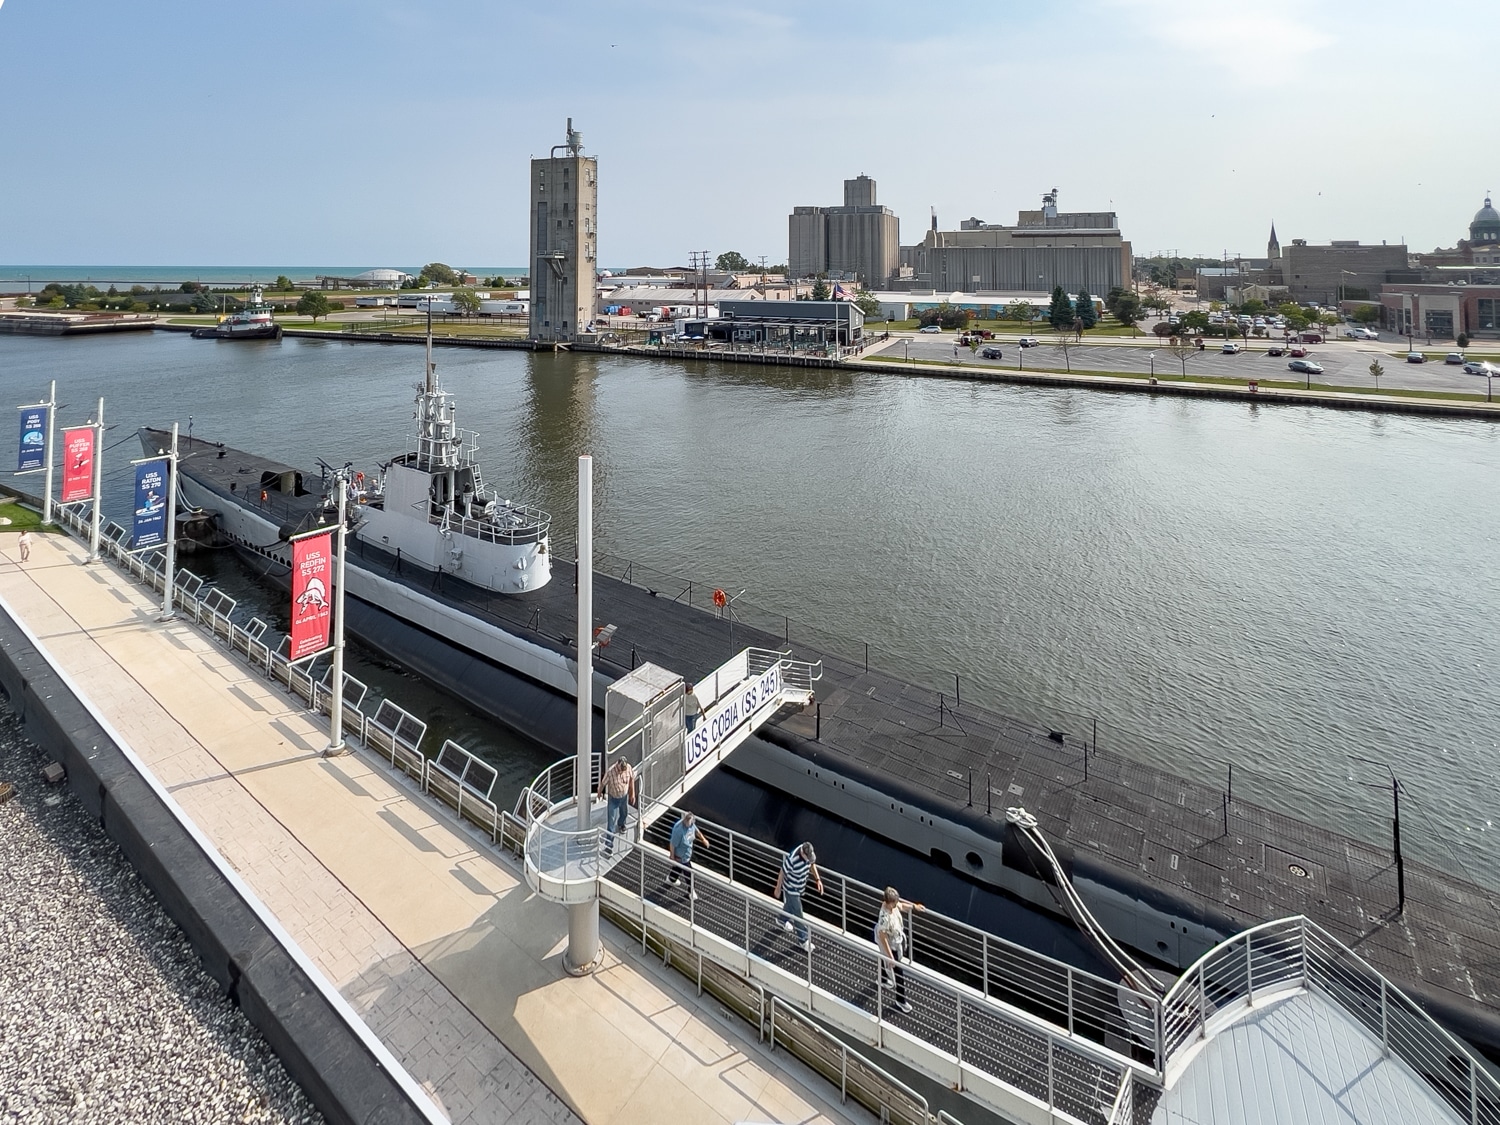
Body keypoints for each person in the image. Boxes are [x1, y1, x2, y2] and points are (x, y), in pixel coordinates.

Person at [874, 886, 924, 1014]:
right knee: (899, 973)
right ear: (889, 902)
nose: (897, 903)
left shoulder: (892, 906)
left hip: (894, 941)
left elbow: (901, 906)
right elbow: (883, 937)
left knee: (882, 956)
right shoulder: (885, 917)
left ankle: (883, 979)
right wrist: (891, 957)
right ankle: (900, 1000)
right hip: (890, 945)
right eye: (895, 902)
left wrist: (914, 907)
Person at [774, 842, 822, 952]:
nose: (808, 860)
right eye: (807, 857)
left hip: (799, 887)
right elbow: (782, 872)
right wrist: (778, 888)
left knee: (790, 907)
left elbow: (812, 864)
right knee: (798, 912)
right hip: (791, 888)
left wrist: (818, 880)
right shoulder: (792, 859)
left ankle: (781, 920)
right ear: (802, 853)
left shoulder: (808, 855)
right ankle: (803, 940)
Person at [597, 756, 635, 858]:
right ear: (617, 765)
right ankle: (608, 847)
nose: (622, 771)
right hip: (613, 799)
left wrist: (632, 794)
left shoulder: (628, 768)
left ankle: (621, 824)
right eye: (620, 769)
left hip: (624, 797)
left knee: (624, 813)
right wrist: (599, 793)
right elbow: (603, 783)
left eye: (623, 769)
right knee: (611, 823)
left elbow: (631, 780)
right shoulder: (610, 772)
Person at [667, 811, 708, 900]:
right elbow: (672, 844)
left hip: (687, 854)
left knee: (677, 869)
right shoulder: (679, 830)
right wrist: (672, 857)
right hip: (681, 857)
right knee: (689, 874)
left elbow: (696, 831)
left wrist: (703, 839)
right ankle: (691, 892)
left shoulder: (691, 824)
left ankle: (671, 879)